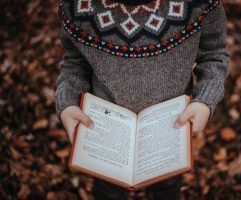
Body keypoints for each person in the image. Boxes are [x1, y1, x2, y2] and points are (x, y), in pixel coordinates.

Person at [54, 0, 230, 199]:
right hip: (106, 131)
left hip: (170, 128)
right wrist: (67, 101)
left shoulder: (200, 5)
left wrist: (204, 101)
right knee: (107, 189)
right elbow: (75, 62)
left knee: (167, 186)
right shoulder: (78, 7)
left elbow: (214, 56)